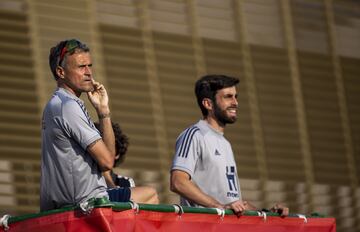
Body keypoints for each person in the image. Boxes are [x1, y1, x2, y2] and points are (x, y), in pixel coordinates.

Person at [170, 74, 289, 216]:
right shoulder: (194, 135)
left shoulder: (226, 144)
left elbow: (234, 202)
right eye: (228, 97)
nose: (235, 102)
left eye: (235, 96)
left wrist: (268, 213)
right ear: (208, 104)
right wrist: (218, 206)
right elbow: (178, 182)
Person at [41, 39, 123, 211]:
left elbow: (108, 157)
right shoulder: (68, 106)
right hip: (85, 209)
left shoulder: (61, 103)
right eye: (81, 67)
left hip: (78, 207)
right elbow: (108, 161)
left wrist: (103, 111)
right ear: (60, 72)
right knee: (150, 195)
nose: (89, 73)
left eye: (89, 66)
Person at [94, 121, 159, 204]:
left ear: (117, 153)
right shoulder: (89, 178)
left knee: (152, 195)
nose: (102, 151)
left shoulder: (125, 181)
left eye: (108, 146)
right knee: (151, 193)